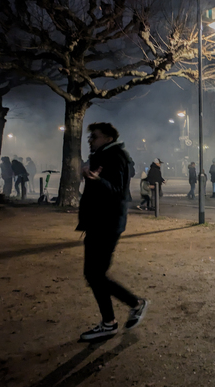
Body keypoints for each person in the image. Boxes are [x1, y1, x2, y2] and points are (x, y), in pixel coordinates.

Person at [77, 122, 148, 341]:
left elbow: (118, 191)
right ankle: (111, 320)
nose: (90, 141)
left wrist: (97, 180)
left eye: (94, 137)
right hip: (100, 222)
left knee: (94, 274)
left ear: (108, 138)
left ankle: (131, 307)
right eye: (90, 137)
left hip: (106, 224)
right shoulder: (105, 154)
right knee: (94, 274)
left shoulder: (115, 156)